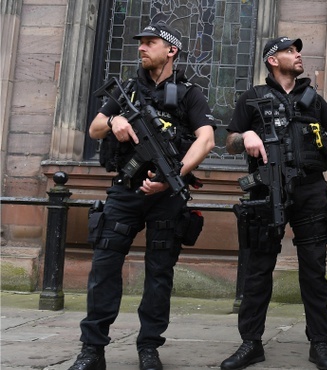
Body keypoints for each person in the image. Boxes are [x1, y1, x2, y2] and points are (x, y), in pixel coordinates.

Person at [69, 21, 216, 370]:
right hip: (125, 191)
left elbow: (206, 139)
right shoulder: (128, 89)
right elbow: (93, 128)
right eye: (141, 43)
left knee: (160, 272)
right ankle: (92, 350)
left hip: (167, 195)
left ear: (171, 50)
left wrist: (173, 177)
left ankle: (148, 347)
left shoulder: (190, 92)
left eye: (151, 43)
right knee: (104, 267)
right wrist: (116, 120)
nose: (142, 48)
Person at [219, 37, 327, 370]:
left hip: (310, 190)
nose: (298, 55)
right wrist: (246, 136)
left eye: (298, 51)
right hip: (266, 192)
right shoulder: (252, 97)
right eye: (290, 51)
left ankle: (319, 344)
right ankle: (251, 344)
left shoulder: (314, 99)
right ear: (272, 60)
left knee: (314, 271)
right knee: (257, 271)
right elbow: (230, 141)